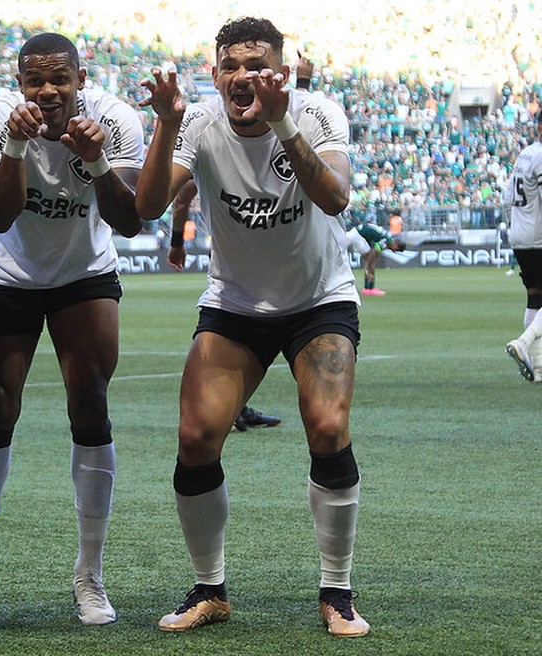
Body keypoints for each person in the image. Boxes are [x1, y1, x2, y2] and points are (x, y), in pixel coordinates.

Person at [136, 16, 370, 638]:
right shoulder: (198, 125)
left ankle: (336, 591)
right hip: (237, 303)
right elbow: (145, 207)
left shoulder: (317, 115)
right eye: (231, 66)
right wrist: (164, 122)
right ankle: (209, 589)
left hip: (318, 299)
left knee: (327, 426)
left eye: (257, 65)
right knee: (195, 437)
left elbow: (335, 197)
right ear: (215, 75)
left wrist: (281, 122)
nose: (244, 77)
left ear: (280, 74)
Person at [0, 32, 143, 628]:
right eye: (35, 79)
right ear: (19, 83)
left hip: (83, 273)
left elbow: (131, 219)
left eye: (59, 78)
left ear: (81, 80)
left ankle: (90, 573)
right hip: (7, 273)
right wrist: (14, 146)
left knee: (90, 402)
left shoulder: (114, 119)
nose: (48, 90)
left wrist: (96, 160)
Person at [169, 180, 282, 432]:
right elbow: (181, 198)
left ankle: (236, 407)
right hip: (270, 267)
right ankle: (232, 408)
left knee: (239, 334)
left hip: (240, 268)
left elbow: (181, 200)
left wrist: (177, 242)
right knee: (238, 334)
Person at [502, 110, 542, 382]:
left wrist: (513, 227)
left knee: (535, 298)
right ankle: (524, 343)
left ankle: (538, 367)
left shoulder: (526, 152)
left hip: (520, 235)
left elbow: (506, 198)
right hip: (538, 237)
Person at [345, 220, 406, 295]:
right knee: (370, 260)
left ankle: (369, 287)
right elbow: (374, 251)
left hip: (357, 233)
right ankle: (369, 288)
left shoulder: (388, 239)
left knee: (372, 261)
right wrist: (368, 267)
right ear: (396, 244)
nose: (394, 251)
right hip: (357, 236)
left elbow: (376, 252)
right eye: (396, 249)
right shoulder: (386, 240)